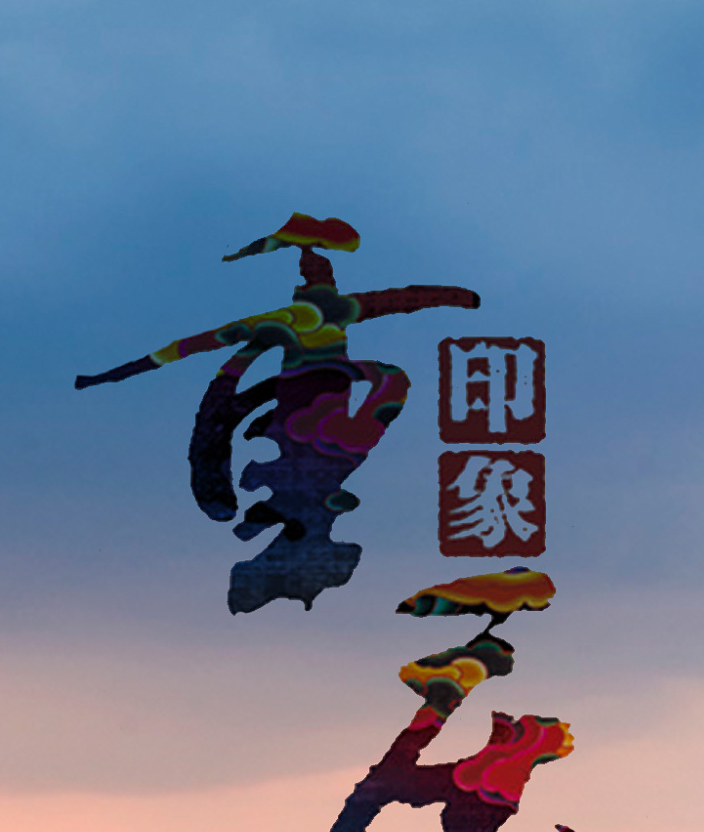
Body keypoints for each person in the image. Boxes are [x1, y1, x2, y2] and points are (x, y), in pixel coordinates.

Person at [77, 216, 479, 610]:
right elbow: (408, 299)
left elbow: (186, 347)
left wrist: (114, 375)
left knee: (321, 456)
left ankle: (282, 518)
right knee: (323, 455)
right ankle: (282, 518)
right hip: (314, 405)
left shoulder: (303, 316)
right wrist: (458, 297)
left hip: (310, 404)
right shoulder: (340, 309)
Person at [300, 642, 573, 832]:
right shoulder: (479, 800)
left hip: (484, 792)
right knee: (377, 788)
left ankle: (447, 704)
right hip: (480, 792)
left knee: (378, 788)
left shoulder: (485, 799)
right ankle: (448, 704)